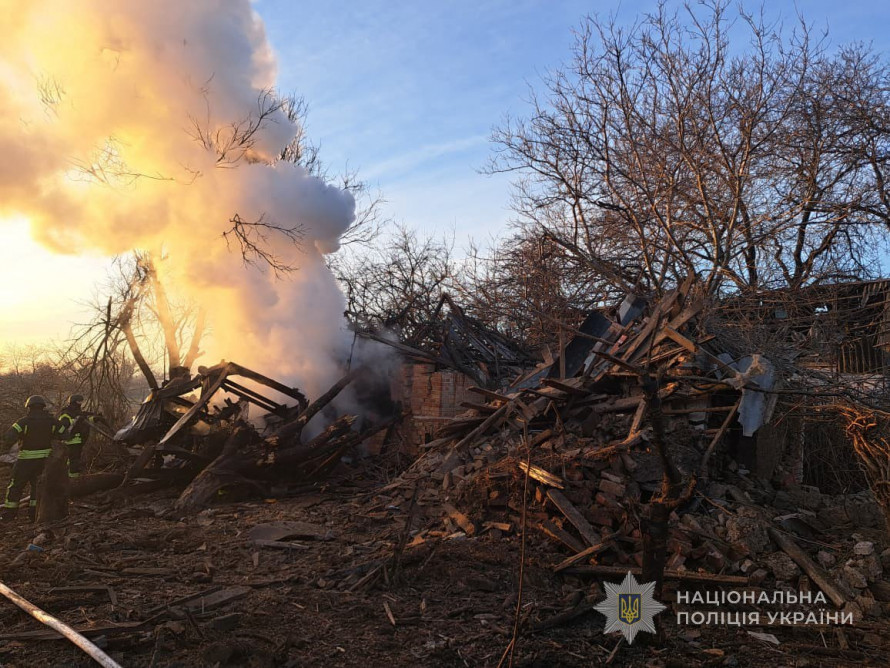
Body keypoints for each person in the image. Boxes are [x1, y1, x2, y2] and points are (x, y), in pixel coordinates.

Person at [1, 395, 66, 521]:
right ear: (43, 407)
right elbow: (65, 434)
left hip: (25, 461)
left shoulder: (23, 422)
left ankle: (10, 514)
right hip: (44, 461)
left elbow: (8, 437)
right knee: (37, 486)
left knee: (15, 486)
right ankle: (34, 514)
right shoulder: (52, 421)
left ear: (29, 407)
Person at [57, 394, 94, 479]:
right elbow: (63, 427)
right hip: (70, 441)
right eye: (78, 401)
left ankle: (70, 477)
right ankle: (72, 479)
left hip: (78, 441)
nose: (80, 403)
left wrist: (95, 418)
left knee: (74, 460)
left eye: (81, 402)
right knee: (72, 461)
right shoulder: (66, 414)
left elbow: (85, 421)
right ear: (73, 402)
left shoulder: (78, 412)